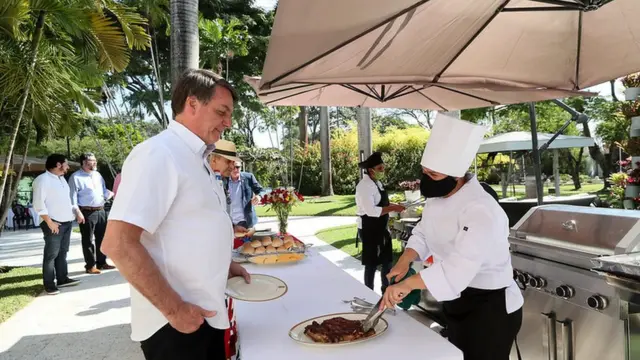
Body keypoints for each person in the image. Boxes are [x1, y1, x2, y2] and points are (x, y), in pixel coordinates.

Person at [101, 68, 251, 360]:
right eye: (222, 112)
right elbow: (118, 244)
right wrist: (175, 310)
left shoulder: (197, 158)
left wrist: (223, 264)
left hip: (201, 316)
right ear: (192, 104)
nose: (228, 122)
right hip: (177, 325)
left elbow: (189, 229)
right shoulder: (159, 154)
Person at [382, 114, 523, 360]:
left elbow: (456, 271)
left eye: (433, 175)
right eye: (424, 172)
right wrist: (406, 259)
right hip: (458, 301)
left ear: (457, 175)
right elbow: (424, 232)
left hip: (490, 308)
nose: (427, 180)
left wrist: (406, 285)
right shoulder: (439, 198)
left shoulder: (481, 210)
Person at [32, 154, 83, 295]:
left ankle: (62, 278)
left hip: (66, 222)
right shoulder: (42, 180)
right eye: (66, 164)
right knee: (51, 255)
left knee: (63, 252)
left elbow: (66, 201)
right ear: (58, 165)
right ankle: (49, 284)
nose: (68, 167)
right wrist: (49, 222)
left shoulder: (62, 180)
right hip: (53, 223)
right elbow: (38, 204)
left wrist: (76, 212)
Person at [355, 152, 406, 293]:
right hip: (369, 229)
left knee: (387, 261)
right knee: (371, 264)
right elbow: (371, 211)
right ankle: (368, 292)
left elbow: (382, 203)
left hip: (381, 228)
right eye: (380, 168)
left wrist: (396, 204)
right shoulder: (364, 186)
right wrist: (394, 208)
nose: (383, 170)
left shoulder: (377, 182)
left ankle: (386, 290)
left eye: (383, 167)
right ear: (371, 170)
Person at [68, 152, 115, 274]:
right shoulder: (75, 177)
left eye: (95, 161)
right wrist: (77, 212)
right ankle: (90, 265)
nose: (94, 163)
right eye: (91, 161)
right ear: (83, 162)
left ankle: (102, 262)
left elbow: (103, 190)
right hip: (86, 212)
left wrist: (108, 195)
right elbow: (72, 197)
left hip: (101, 210)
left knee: (102, 238)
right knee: (88, 240)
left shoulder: (98, 175)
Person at [225, 161, 263, 230]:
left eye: (238, 167)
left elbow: (260, 190)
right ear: (229, 167)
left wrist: (258, 196)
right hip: (229, 222)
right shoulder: (224, 179)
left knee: (248, 241)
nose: (235, 169)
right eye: (233, 167)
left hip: (245, 222)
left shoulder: (248, 177)